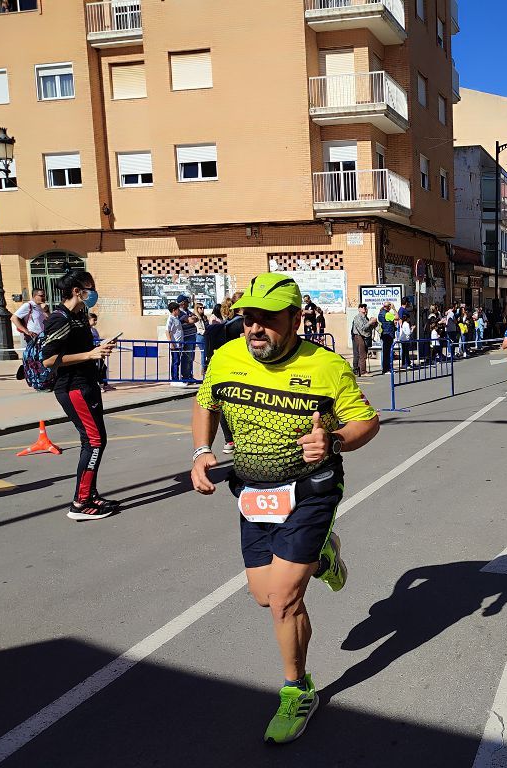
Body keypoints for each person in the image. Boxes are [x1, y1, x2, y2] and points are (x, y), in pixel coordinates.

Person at [190, 272, 379, 744]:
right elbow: (205, 403)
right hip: (253, 490)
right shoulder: (225, 357)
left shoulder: (327, 366)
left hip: (311, 490)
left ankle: (298, 690)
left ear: (296, 319)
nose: (254, 329)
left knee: (283, 598)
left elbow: (367, 422)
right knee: (262, 594)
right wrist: (200, 451)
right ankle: (323, 556)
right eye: (247, 319)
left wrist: (332, 438)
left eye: (266, 320)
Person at [41, 270, 119, 521]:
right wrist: (89, 355)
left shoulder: (79, 315)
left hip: (86, 384)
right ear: (77, 291)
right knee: (93, 442)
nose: (93, 292)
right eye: (90, 287)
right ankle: (80, 503)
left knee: (98, 440)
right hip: (73, 388)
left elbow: (82, 349)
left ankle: (90, 495)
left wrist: (99, 348)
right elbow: (48, 360)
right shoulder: (59, 318)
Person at [202, 300, 245, 454]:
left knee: (221, 404)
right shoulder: (242, 324)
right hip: (241, 367)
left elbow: (204, 406)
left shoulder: (223, 325)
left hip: (224, 367)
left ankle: (229, 440)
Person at [88, 312, 115, 393]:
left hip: (98, 350)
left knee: (103, 368)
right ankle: (98, 385)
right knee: (96, 369)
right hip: (92, 352)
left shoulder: (94, 330)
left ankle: (105, 384)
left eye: (96, 320)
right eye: (94, 320)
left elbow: (98, 340)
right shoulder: (86, 330)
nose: (96, 322)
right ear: (88, 320)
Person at [176, 294, 199, 383]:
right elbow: (191, 320)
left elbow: (196, 318)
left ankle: (190, 375)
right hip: (187, 337)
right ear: (182, 303)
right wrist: (191, 319)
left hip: (192, 336)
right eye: (186, 302)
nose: (188, 304)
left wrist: (193, 318)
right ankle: (185, 376)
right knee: (187, 357)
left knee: (191, 357)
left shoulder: (187, 311)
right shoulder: (180, 312)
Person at [350, 303, 377, 377]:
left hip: (364, 337)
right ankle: (362, 371)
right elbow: (362, 328)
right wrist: (370, 322)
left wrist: (373, 324)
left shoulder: (365, 318)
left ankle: (358, 370)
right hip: (358, 336)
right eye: (362, 307)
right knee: (362, 354)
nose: (364, 308)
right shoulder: (358, 317)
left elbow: (368, 329)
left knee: (362, 353)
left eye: (365, 307)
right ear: (359, 309)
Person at [166, 301, 185, 384]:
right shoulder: (170, 319)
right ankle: (174, 379)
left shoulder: (176, 318)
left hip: (179, 344)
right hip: (174, 344)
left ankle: (177, 377)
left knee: (178, 361)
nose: (179, 311)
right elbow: (167, 331)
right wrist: (171, 343)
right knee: (175, 361)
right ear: (174, 310)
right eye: (178, 310)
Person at [377, 301, 396, 374]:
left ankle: (385, 368)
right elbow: (397, 317)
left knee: (385, 352)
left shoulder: (380, 313)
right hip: (388, 334)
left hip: (383, 334)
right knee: (388, 352)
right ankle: (386, 369)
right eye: (390, 306)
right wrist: (394, 309)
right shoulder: (387, 314)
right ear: (388, 307)